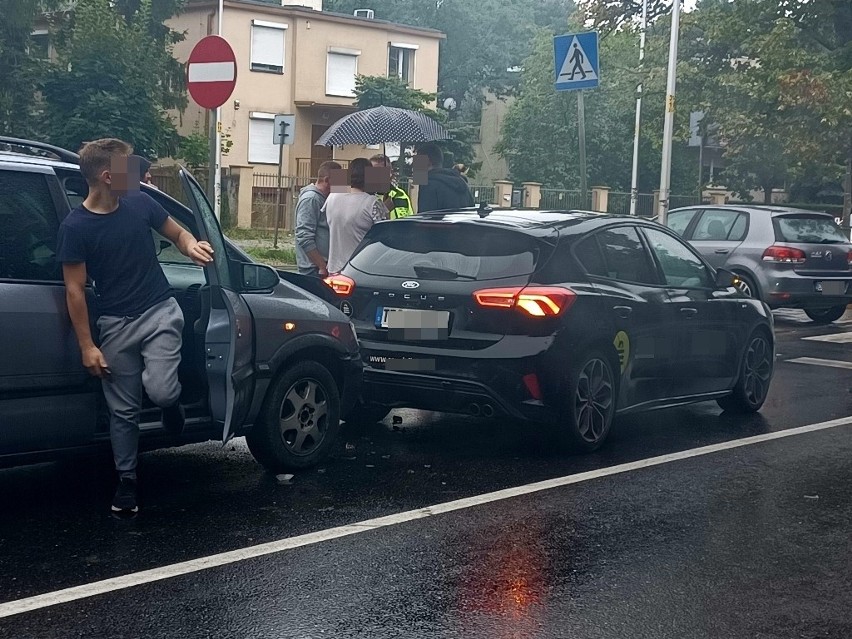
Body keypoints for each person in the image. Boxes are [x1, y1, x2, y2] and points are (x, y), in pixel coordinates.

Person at [57, 138, 214, 515]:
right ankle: (127, 481)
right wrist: (87, 347)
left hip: (159, 310)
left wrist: (191, 245)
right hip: (115, 325)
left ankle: (170, 404)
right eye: (129, 168)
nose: (138, 174)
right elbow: (75, 291)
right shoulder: (75, 227)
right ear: (109, 177)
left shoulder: (141, 202)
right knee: (122, 413)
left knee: (159, 391)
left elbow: (177, 233)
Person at [324, 157, 389, 274]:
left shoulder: (332, 196)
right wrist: (386, 208)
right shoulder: (372, 203)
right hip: (360, 269)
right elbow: (384, 235)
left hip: (334, 268)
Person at [295, 160, 341, 277]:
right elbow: (304, 236)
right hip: (314, 269)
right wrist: (321, 266)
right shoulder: (311, 199)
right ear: (326, 180)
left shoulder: (325, 199)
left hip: (322, 267)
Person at [414, 143, 474, 213]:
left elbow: (424, 218)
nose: (414, 165)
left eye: (417, 161)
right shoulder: (462, 183)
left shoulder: (430, 184)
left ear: (428, 161)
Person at [369, 154, 413, 219]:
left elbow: (410, 219)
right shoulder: (364, 198)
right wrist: (383, 210)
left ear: (390, 173)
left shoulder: (401, 195)